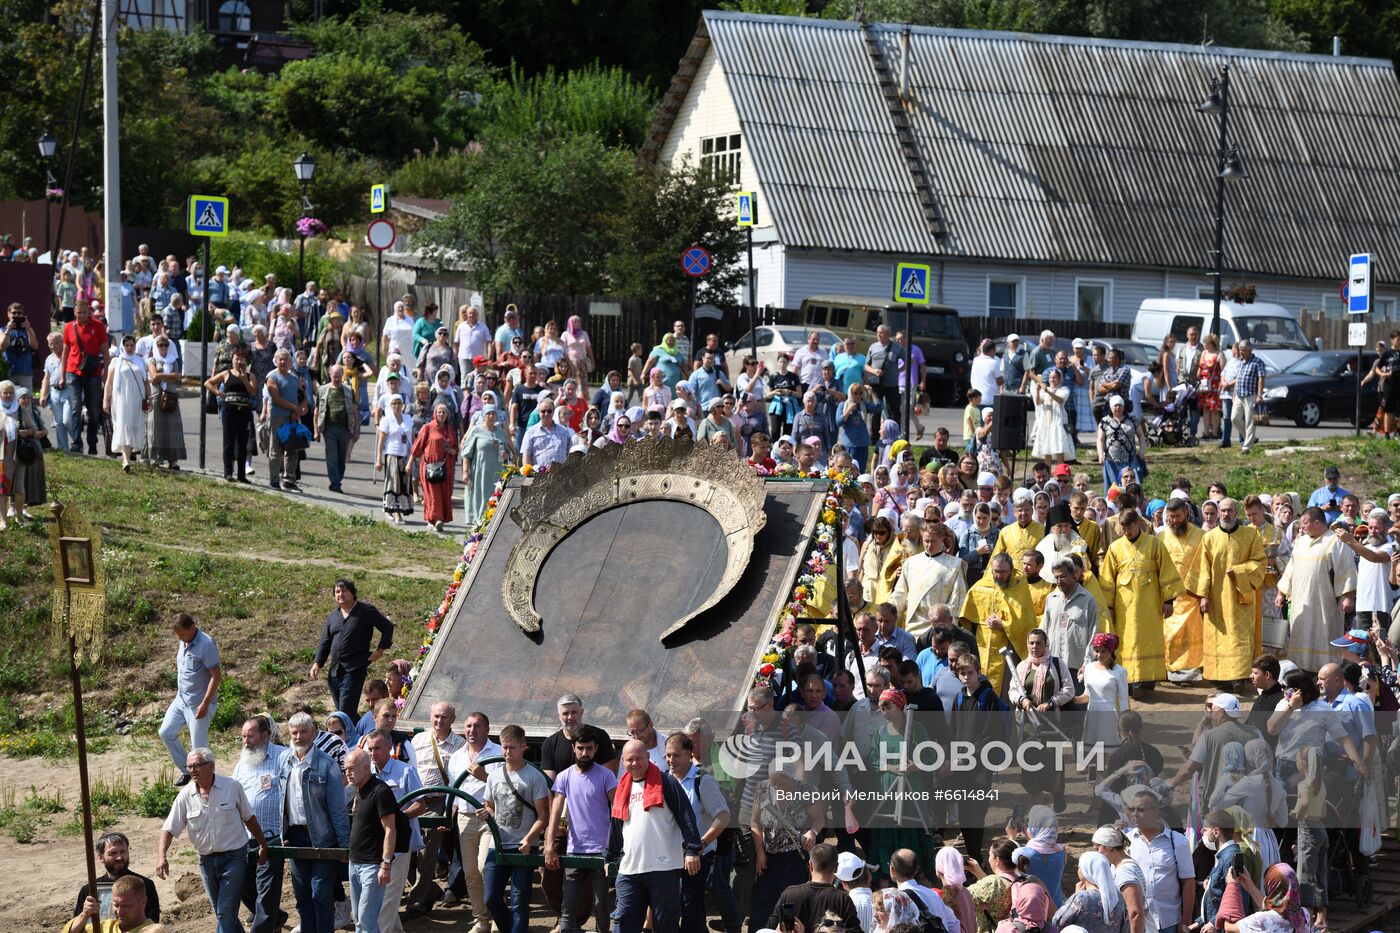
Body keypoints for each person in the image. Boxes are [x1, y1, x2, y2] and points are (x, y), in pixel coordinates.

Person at [157, 747, 269, 933]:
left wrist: (263, 845)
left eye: (196, 766)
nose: (192, 770)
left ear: (211, 766)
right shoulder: (185, 795)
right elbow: (169, 828)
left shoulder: (232, 787)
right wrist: (162, 857)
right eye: (189, 767)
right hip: (206, 861)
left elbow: (249, 818)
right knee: (223, 913)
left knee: (225, 913)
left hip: (234, 858)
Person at [279, 712, 350, 933]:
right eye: (294, 733)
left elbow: (338, 807)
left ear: (313, 732)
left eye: (303, 732)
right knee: (302, 896)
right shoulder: (284, 762)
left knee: (320, 893)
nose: (298, 737)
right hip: (294, 836)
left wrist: (344, 844)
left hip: (322, 837)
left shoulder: (327, 764)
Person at [475, 724, 550, 933]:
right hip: (497, 844)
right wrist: (485, 813)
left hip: (523, 846)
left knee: (519, 900)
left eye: (512, 748)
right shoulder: (493, 776)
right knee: (491, 898)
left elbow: (544, 815)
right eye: (504, 747)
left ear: (523, 747)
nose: (507, 752)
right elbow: (490, 806)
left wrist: (530, 839)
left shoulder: (534, 777)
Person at [545, 730, 620, 933]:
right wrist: (549, 846)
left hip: (601, 851)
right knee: (568, 908)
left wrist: (618, 845)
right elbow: (555, 813)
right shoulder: (564, 776)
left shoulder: (606, 776)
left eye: (589, 748)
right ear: (573, 749)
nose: (584, 753)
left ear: (596, 749)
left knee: (601, 905)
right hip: (574, 850)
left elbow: (619, 811)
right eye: (580, 748)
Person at [1188, 498, 1267, 684]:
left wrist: (1239, 571)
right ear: (1218, 512)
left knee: (1239, 638)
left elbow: (1260, 563)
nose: (1226, 514)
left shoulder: (1251, 535)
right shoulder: (1209, 537)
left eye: (1230, 510)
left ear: (1236, 512)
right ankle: (1217, 676)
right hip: (1216, 599)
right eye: (1223, 510)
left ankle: (1240, 677)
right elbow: (1203, 569)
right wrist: (1203, 597)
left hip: (1241, 599)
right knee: (1218, 638)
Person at [1101, 508, 1181, 686]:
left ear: (1138, 524)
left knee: (1149, 639)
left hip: (1149, 604)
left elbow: (1167, 571)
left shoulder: (1154, 544)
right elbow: (1107, 580)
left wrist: (1168, 601)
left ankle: (1149, 678)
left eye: (1129, 527)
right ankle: (1128, 679)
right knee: (1127, 640)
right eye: (1123, 528)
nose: (1126, 532)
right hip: (1124, 606)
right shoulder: (1114, 548)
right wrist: (1109, 607)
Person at [662, 732, 733, 933]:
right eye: (668, 755)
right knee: (674, 904)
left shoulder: (703, 780)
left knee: (690, 904)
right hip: (671, 855)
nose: (670, 760)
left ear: (689, 754)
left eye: (676, 755)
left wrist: (700, 845)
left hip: (698, 857)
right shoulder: (664, 780)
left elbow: (723, 817)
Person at [1277, 506, 1357, 672]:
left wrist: (1349, 596)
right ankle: (1301, 669)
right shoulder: (1300, 542)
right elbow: (1291, 568)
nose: (1302, 527)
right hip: (1300, 600)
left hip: (1324, 601)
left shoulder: (1335, 541)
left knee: (1324, 634)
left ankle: (1325, 671)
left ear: (1318, 522)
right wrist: (1282, 592)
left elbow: (1346, 570)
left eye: (1305, 523)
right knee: (1300, 633)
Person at [232, 716, 290, 933]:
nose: (246, 741)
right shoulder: (242, 763)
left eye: (251, 736)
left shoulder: (283, 757)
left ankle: (263, 927)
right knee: (243, 885)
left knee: (267, 891)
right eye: (243, 736)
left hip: (272, 836)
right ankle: (276, 919)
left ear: (266, 735)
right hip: (243, 836)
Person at [310, 579, 394, 716]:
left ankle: (344, 736)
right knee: (345, 713)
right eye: (337, 592)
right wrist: (317, 663)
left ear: (352, 593)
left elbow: (387, 627)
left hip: (354, 669)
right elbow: (325, 641)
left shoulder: (365, 611)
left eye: (344, 591)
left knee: (344, 713)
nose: (340, 594)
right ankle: (359, 731)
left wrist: (380, 649)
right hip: (335, 671)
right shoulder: (333, 616)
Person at [958, 552, 1036, 695]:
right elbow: (966, 616)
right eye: (996, 572)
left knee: (1005, 688)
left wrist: (1004, 625)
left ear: (1011, 570)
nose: (999, 576)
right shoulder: (982, 585)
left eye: (1003, 572)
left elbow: (1025, 621)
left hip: (1008, 646)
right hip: (982, 643)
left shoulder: (1019, 586)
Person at [157, 613, 221, 786]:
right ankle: (187, 770)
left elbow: (216, 676)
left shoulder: (206, 644)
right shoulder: (183, 640)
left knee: (199, 749)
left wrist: (205, 704)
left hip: (199, 703)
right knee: (166, 732)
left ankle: (207, 783)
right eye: (178, 636)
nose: (180, 639)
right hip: (181, 700)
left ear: (192, 627)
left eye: (183, 635)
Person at [1124, 789, 1194, 933]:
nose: (1135, 814)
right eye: (1132, 809)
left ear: (1157, 812)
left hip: (1169, 922)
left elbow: (1188, 881)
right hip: (1136, 922)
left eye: (1141, 809)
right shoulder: (1126, 841)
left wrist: (1186, 920)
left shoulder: (1177, 841)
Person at [893, 522, 968, 641]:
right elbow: (900, 594)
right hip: (913, 624)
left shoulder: (955, 565)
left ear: (942, 539)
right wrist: (890, 612)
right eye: (926, 541)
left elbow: (957, 599)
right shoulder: (911, 563)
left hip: (939, 627)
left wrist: (943, 622)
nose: (929, 545)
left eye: (933, 541)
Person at [73, 832, 162, 925]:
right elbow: (76, 927)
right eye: (113, 853)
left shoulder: (144, 885)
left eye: (123, 851)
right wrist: (84, 914)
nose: (119, 857)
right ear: (101, 858)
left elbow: (152, 923)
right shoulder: (89, 890)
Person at [65, 300, 111, 455]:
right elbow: (65, 351)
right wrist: (61, 374)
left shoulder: (98, 326)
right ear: (74, 313)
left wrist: (106, 371)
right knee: (75, 407)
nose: (82, 315)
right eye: (79, 313)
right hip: (73, 371)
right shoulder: (68, 327)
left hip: (93, 372)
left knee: (93, 410)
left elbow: (105, 350)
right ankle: (76, 443)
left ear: (89, 312)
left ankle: (92, 443)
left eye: (84, 312)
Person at [409, 403, 458, 532]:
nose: (441, 414)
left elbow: (456, 447)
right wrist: (410, 463)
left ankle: (438, 518)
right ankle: (436, 519)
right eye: (439, 412)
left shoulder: (450, 430)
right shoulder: (428, 428)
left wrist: (453, 451)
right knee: (432, 494)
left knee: (444, 494)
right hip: (430, 466)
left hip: (446, 467)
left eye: (444, 412)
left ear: (447, 415)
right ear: (435, 413)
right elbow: (417, 447)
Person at [1077, 632, 1130, 751]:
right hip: (1091, 715)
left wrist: (1124, 724)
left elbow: (1123, 701)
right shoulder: (1089, 669)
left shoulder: (1119, 671)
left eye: (1103, 651)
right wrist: (1073, 698)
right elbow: (1087, 695)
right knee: (1090, 752)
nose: (1099, 654)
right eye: (1096, 650)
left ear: (1111, 651)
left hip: (1109, 717)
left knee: (1106, 752)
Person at [102, 334, 148, 472]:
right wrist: (105, 399)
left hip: (137, 399)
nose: (129, 348)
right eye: (126, 345)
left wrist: (149, 398)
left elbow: (146, 382)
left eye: (131, 345)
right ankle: (126, 460)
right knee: (123, 425)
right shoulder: (116, 361)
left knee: (134, 426)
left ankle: (127, 456)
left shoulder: (140, 361)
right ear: (123, 346)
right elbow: (109, 382)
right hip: (121, 399)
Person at [1053, 851, 1126, 933]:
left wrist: (1076, 895)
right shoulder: (1117, 896)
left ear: (1087, 869)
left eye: (1079, 866)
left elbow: (1058, 923)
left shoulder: (1083, 897)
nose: (1078, 869)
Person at [65, 874, 165, 933]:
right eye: (116, 905)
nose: (119, 912)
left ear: (143, 902)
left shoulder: (153, 931)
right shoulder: (105, 927)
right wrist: (85, 915)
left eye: (126, 906)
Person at [145, 335, 185, 470]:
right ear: (156, 346)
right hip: (156, 397)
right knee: (156, 428)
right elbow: (154, 376)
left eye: (166, 345)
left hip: (171, 396)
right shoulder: (152, 360)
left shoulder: (173, 360)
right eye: (160, 345)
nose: (163, 347)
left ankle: (173, 460)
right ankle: (156, 458)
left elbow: (178, 378)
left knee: (172, 429)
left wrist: (164, 376)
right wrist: (171, 376)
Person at [375, 394, 414, 522]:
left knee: (404, 483)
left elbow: (411, 438)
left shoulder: (408, 418)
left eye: (399, 403)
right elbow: (381, 441)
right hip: (392, 454)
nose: (396, 406)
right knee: (394, 483)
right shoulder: (386, 420)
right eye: (394, 404)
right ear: (390, 405)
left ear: (403, 405)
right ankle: (395, 512)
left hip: (405, 455)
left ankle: (399, 509)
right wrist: (378, 459)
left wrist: (413, 457)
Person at [1227, 340, 1265, 453]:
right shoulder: (1240, 362)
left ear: (1250, 350)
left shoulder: (1258, 362)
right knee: (1234, 418)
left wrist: (1259, 395)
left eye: (1243, 350)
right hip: (1239, 395)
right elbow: (1238, 380)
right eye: (1240, 350)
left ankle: (1247, 446)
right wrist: (1234, 395)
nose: (1241, 352)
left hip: (1250, 395)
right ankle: (1251, 438)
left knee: (1250, 422)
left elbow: (1261, 379)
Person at [1029, 367, 1073, 462]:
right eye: (1050, 378)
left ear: (1059, 379)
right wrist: (1037, 391)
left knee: (1059, 448)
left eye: (1054, 378)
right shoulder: (1045, 389)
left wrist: (1048, 391)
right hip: (1046, 422)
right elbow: (1039, 402)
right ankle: (1047, 472)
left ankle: (1060, 472)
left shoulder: (1064, 389)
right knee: (1047, 448)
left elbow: (1060, 400)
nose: (1052, 380)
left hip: (1058, 422)